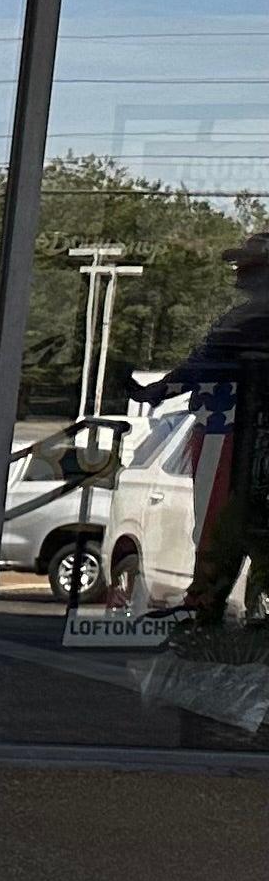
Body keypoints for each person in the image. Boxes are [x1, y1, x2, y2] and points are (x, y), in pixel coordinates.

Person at [162, 230, 269, 623]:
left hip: (232, 436)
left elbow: (203, 363)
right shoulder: (241, 318)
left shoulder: (248, 319)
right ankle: (231, 606)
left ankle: (207, 603)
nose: (239, 272)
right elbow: (201, 363)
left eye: (250, 266)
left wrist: (164, 385)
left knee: (222, 526)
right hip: (229, 433)